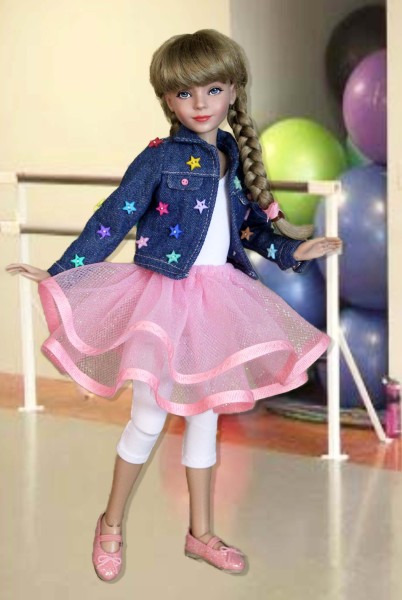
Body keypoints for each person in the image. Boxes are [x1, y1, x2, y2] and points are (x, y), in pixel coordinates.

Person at [6, 29, 342, 580]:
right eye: (185, 93)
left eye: (213, 90)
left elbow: (248, 230)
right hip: (161, 297)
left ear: (233, 91)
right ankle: (110, 523)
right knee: (148, 415)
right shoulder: (159, 158)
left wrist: (293, 250)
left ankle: (201, 534)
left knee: (205, 417)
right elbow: (114, 214)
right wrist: (63, 270)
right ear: (167, 99)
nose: (200, 104)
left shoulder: (233, 156)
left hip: (217, 299)